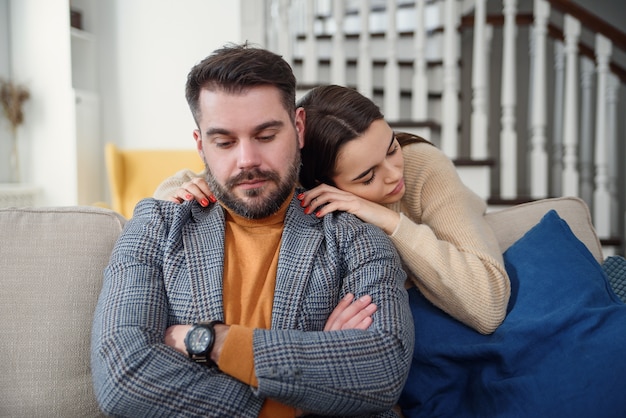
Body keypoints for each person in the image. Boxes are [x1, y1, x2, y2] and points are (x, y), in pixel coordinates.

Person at [91, 44, 414, 418]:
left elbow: (381, 370)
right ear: (201, 146)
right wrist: (308, 386)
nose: (247, 160)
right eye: (224, 142)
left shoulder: (354, 236)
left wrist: (210, 342)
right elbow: (123, 379)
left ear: (298, 128)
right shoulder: (156, 227)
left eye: (265, 136)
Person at [155, 84, 511, 336]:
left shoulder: (420, 166)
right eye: (368, 176)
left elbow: (488, 304)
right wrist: (182, 188)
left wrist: (388, 219)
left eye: (390, 148)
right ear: (322, 185)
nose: (393, 175)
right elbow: (188, 184)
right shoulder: (304, 194)